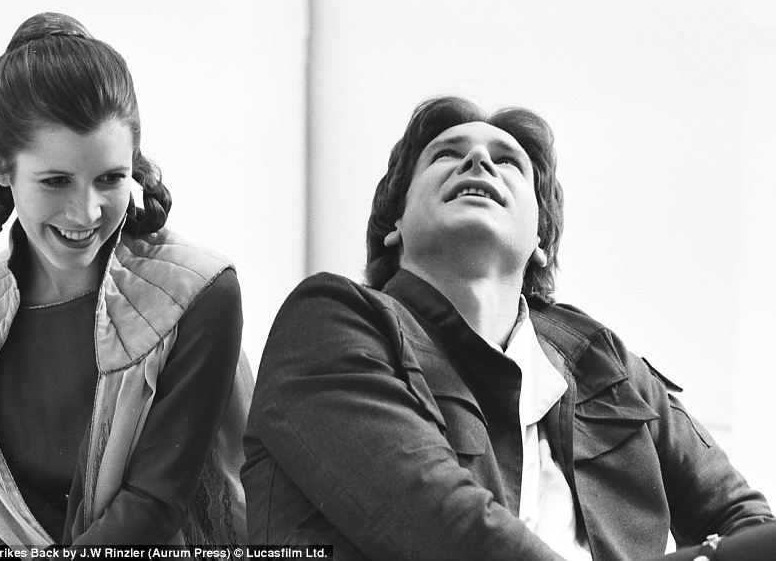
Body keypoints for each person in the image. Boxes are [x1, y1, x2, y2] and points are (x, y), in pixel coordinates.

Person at [242, 96, 773, 560]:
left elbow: (747, 524)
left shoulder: (604, 361)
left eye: (507, 162)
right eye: (445, 154)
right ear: (394, 225)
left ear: (540, 237)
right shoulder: (330, 320)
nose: (477, 160)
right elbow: (444, 527)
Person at [0, 12, 251, 548]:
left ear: (133, 163)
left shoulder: (197, 293)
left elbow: (154, 507)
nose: (87, 213)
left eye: (110, 178)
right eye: (56, 181)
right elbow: (11, 519)